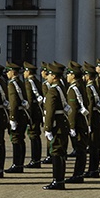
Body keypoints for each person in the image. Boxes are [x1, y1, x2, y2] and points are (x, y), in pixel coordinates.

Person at [41, 62, 69, 190]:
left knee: (56, 152)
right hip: (62, 123)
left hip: (56, 125)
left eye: (49, 75)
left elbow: (50, 111)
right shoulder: (60, 87)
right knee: (60, 152)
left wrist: (47, 128)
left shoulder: (53, 90)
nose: (47, 77)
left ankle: (57, 180)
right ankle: (60, 179)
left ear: (54, 76)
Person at [4, 61, 27, 173]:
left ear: (13, 72)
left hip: (17, 115)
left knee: (16, 140)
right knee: (21, 139)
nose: (7, 73)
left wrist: (12, 118)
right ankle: (20, 164)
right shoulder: (20, 82)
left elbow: (13, 102)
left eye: (8, 71)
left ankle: (17, 164)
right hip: (22, 115)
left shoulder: (12, 84)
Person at [23, 61, 45, 168]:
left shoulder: (28, 83)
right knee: (36, 136)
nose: (24, 73)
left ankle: (35, 160)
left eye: (25, 71)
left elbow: (30, 100)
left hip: (33, 113)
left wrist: (28, 116)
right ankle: (36, 159)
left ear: (28, 72)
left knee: (33, 135)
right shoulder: (36, 81)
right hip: (38, 111)